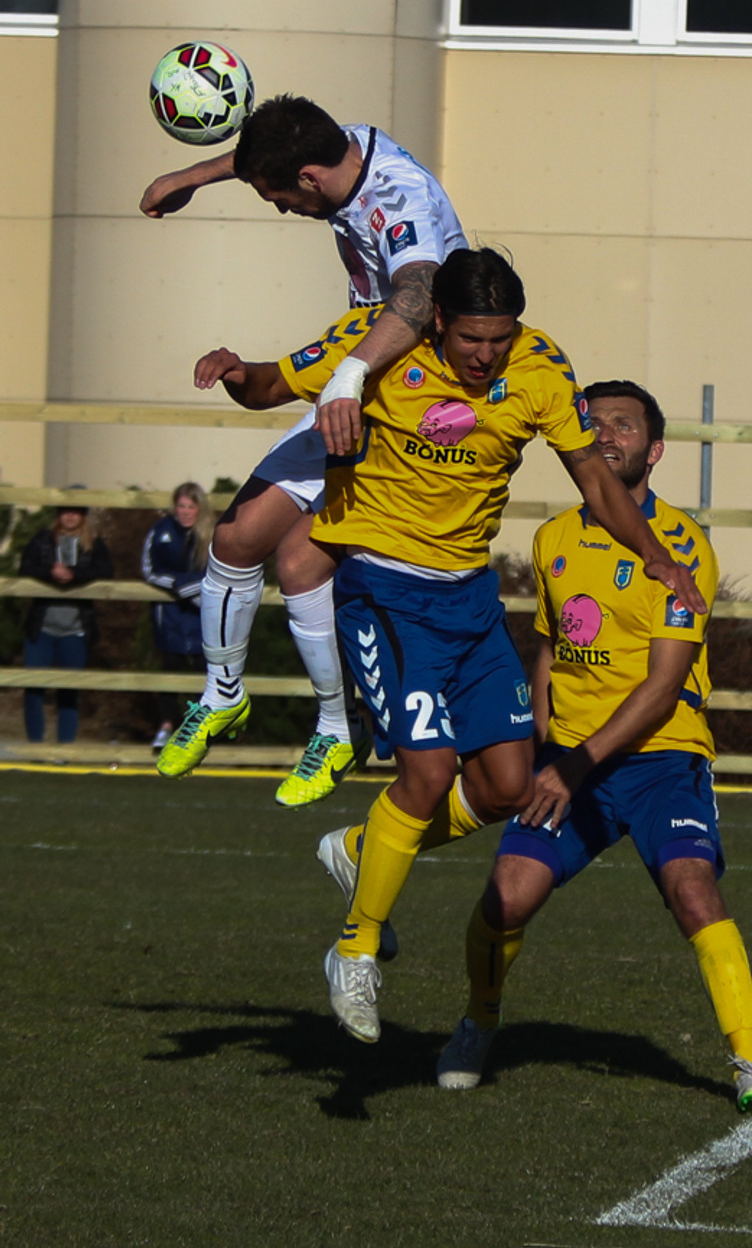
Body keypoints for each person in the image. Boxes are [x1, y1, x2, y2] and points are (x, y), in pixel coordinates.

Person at [191, 248, 707, 1046]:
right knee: (428, 773)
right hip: (384, 592)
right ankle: (355, 949)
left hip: (468, 599)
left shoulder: (540, 368)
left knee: (506, 786)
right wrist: (234, 372)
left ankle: (359, 849)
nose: (485, 355)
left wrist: (657, 555)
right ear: (437, 321)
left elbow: (595, 482)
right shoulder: (376, 344)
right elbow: (269, 385)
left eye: (500, 339)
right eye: (471, 339)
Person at [433, 379, 752, 1114]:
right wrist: (538, 743)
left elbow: (662, 688)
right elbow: (551, 648)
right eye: (595, 424)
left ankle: (750, 1060)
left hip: (661, 758)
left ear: (654, 451)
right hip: (568, 761)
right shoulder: (553, 538)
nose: (607, 435)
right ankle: (478, 1023)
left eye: (625, 425)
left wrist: (571, 767)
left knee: (693, 892)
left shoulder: (681, 548)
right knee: (506, 898)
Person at [141, 95, 468, 804]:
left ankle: (336, 729)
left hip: (412, 396)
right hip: (358, 368)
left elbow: (418, 295)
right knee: (235, 538)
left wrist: (348, 376)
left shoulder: (400, 201)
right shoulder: (335, 147)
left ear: (310, 179)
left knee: (298, 561)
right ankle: (223, 694)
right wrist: (190, 176)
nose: (282, 208)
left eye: (279, 197)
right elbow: (272, 150)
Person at [19, 497, 114, 743]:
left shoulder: (94, 543)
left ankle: (65, 751)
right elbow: (25, 567)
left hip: (76, 630)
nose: (70, 516)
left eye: (76, 511)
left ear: (83, 515)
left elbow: (106, 571)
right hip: (42, 628)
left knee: (69, 693)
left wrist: (74, 574)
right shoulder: (43, 539)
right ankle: (36, 748)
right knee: (33, 690)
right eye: (65, 510)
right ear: (58, 513)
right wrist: (50, 572)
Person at [141, 483, 215, 751]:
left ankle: (196, 729)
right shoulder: (161, 530)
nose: (185, 512)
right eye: (181, 506)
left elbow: (219, 572)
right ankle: (165, 727)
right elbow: (149, 570)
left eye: (191, 507)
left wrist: (192, 589)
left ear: (199, 509)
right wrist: (180, 586)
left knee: (202, 673)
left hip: (202, 616)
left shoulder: (212, 534)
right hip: (169, 614)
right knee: (170, 671)